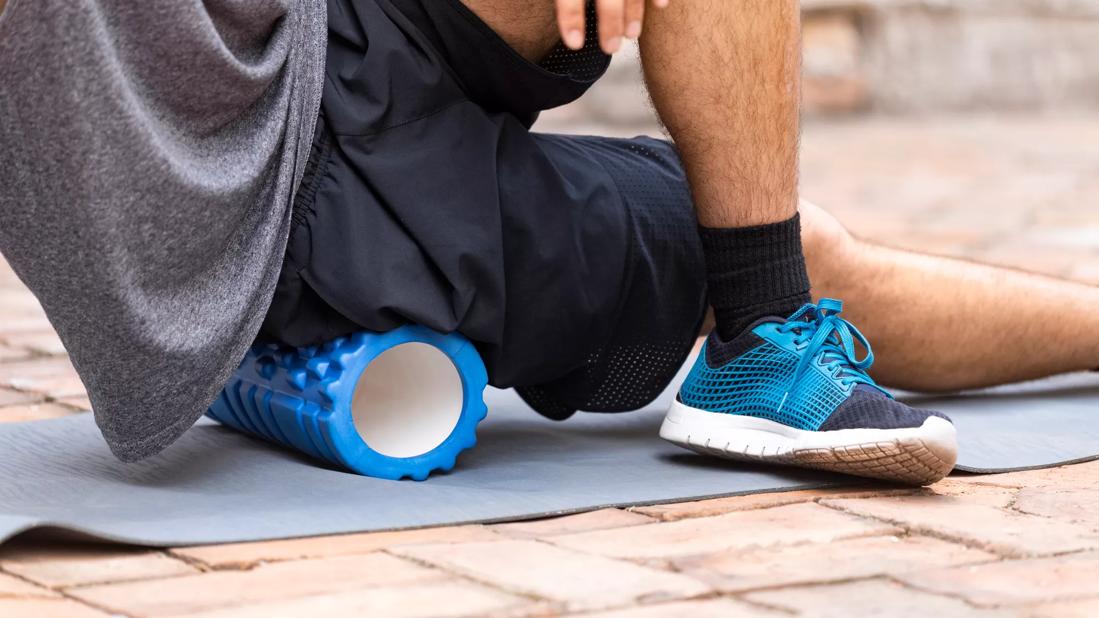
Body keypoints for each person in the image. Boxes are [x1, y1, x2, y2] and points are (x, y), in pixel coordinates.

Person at [2, 0, 1097, 485]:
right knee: (800, 257)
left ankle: (765, 330)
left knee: (771, 251)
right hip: (258, 202)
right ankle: (764, 336)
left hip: (310, 33)